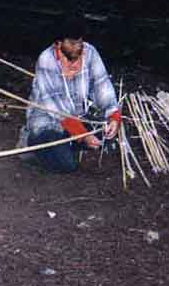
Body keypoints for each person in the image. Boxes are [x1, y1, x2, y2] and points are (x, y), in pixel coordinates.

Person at [23, 15, 121, 172]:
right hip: (49, 121)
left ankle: (68, 144)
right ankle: (31, 144)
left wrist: (113, 116)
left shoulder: (90, 53)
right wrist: (83, 135)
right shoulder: (46, 60)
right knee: (66, 165)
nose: (78, 47)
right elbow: (58, 109)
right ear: (59, 43)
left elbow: (102, 84)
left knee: (107, 135)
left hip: (78, 118)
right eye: (72, 43)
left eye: (80, 42)